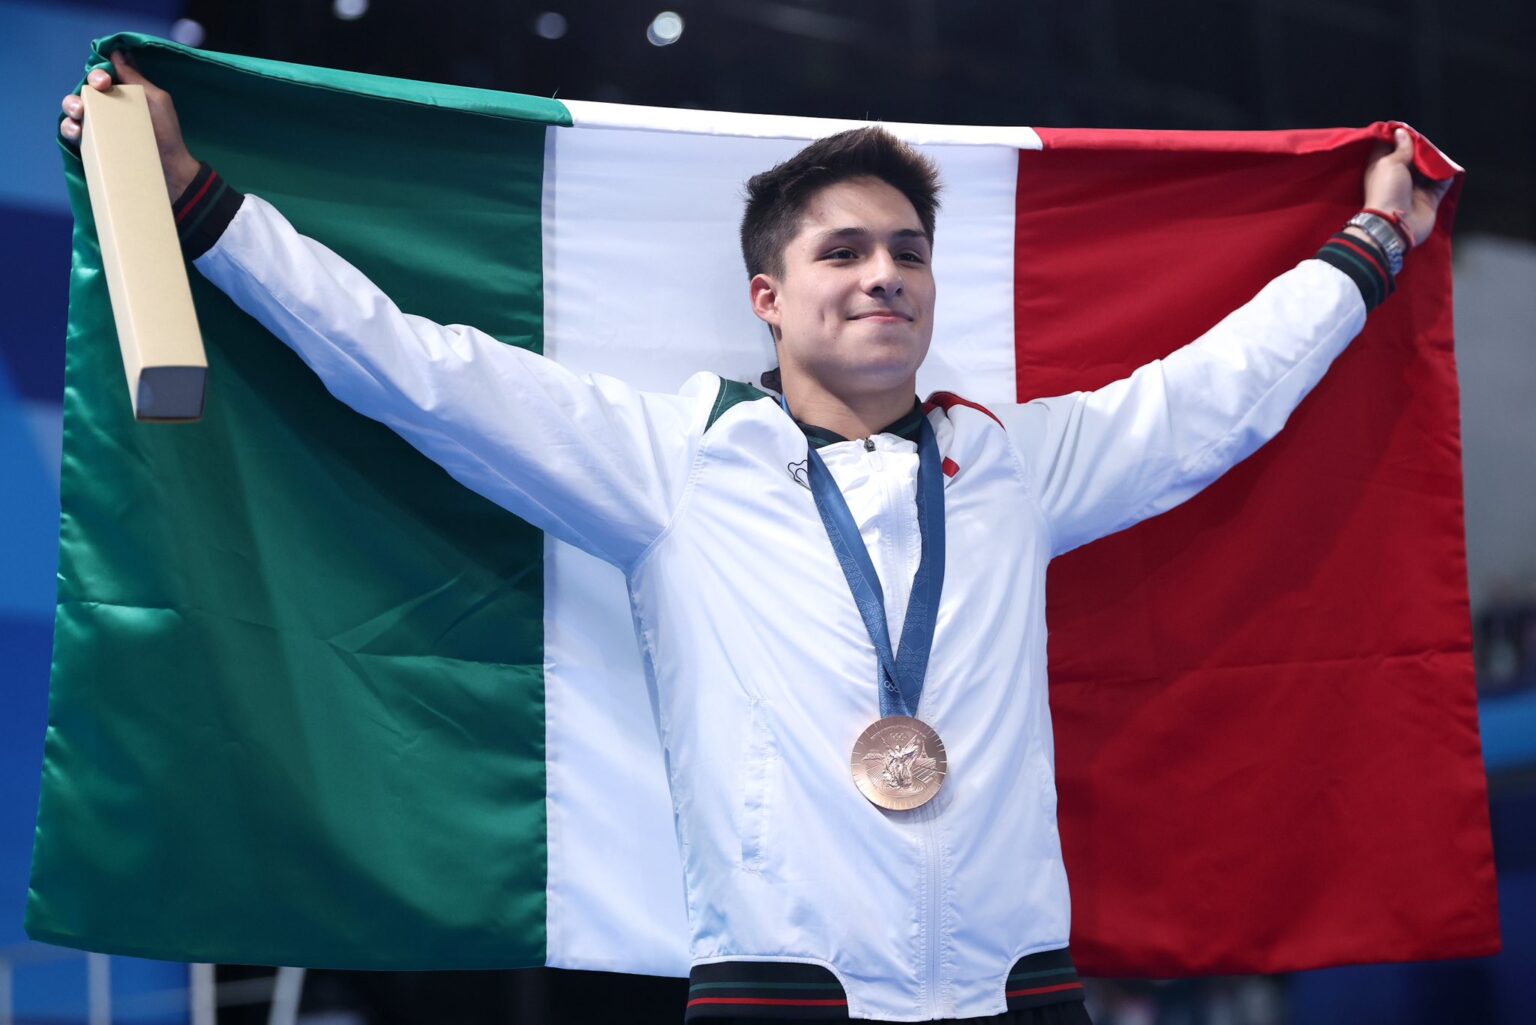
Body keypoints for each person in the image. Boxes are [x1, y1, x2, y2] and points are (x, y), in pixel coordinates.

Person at [61, 51, 1450, 1025]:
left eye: (906, 250)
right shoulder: (670, 459)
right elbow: (413, 367)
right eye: (844, 251)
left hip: (1019, 989)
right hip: (783, 991)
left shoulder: (1012, 463)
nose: (884, 274)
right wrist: (197, 205)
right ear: (769, 297)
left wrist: (1373, 245)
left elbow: (1218, 396)